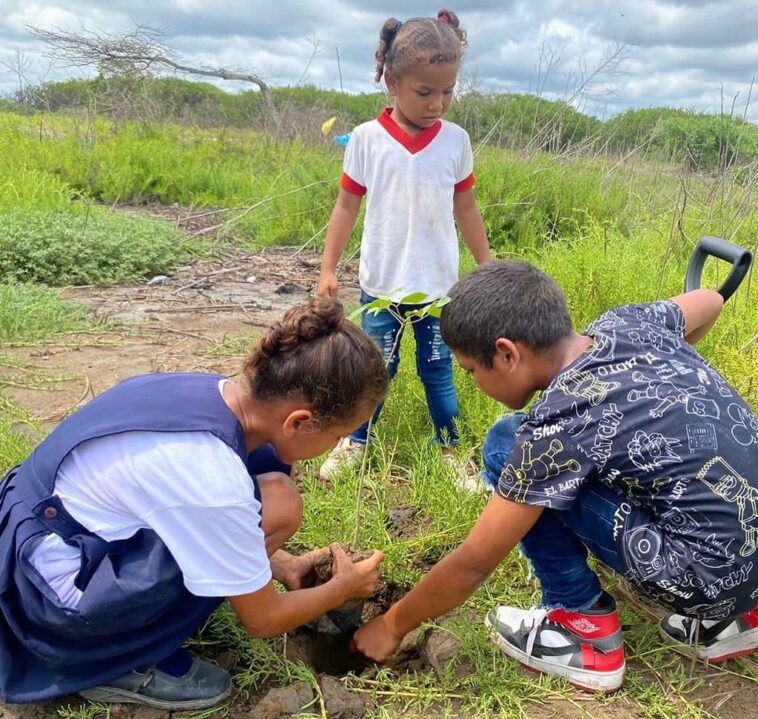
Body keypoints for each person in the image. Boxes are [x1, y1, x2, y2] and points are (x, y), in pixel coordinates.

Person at [353, 261, 757, 692]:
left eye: (471, 370)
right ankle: (736, 618)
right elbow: (710, 300)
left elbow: (473, 563)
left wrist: (391, 626)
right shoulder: (629, 323)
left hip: (706, 578)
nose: (472, 382)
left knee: (504, 443)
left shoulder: (558, 424)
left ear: (507, 354)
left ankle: (582, 625)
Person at [0, 298, 387, 710]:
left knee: (275, 488)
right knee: (278, 499)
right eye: (336, 435)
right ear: (299, 421)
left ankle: (168, 610)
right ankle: (113, 664)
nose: (335, 445)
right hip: (50, 607)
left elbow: (184, 509)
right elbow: (263, 620)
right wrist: (342, 588)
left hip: (33, 533)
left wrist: (285, 566)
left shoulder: (211, 393)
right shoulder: (211, 474)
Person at [317, 9, 491, 488]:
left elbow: (467, 210)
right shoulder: (368, 141)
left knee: (439, 372)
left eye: (447, 91)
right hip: (380, 287)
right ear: (392, 82)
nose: (438, 103)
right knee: (373, 368)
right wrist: (329, 268)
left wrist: (487, 268)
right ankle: (355, 441)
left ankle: (451, 447)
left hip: (438, 291)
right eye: (424, 92)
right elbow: (346, 208)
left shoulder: (456, 141)